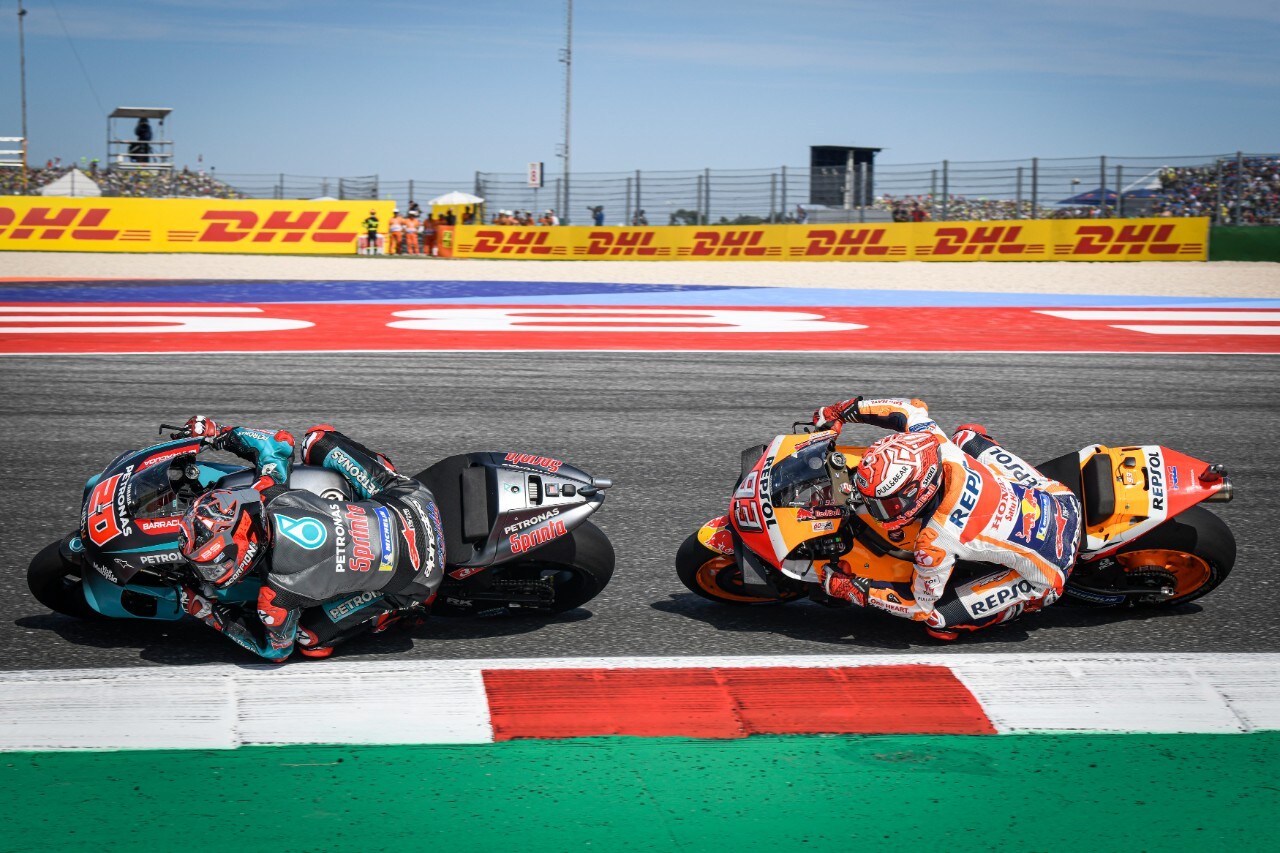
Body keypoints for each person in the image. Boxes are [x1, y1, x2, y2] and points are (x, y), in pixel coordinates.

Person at [809, 396, 1082, 641]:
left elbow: (918, 606)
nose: (878, 510)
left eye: (888, 504)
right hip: (1059, 497)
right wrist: (843, 411)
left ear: (919, 492)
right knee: (965, 436)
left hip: (1051, 568)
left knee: (938, 620)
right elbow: (908, 409)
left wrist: (853, 590)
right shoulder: (935, 443)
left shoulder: (934, 541)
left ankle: (1029, 602)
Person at [175, 416, 445, 661]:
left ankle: (394, 608)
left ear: (243, 552)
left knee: (310, 640)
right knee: (316, 439)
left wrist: (208, 613)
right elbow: (279, 442)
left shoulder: (277, 594)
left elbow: (276, 650)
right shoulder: (270, 493)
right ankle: (379, 476)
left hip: (420, 578)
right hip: (415, 500)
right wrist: (216, 433)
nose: (208, 572)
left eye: (213, 566)